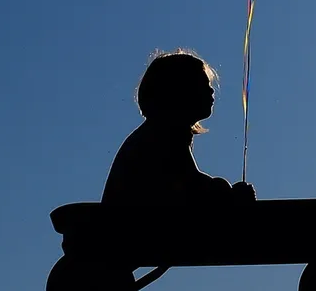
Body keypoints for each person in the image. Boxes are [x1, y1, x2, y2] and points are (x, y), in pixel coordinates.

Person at [102, 49, 255, 210]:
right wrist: (227, 192)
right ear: (178, 91)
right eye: (202, 84)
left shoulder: (154, 133)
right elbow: (191, 187)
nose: (211, 90)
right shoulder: (161, 135)